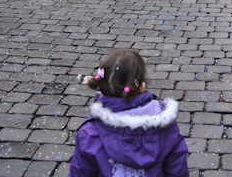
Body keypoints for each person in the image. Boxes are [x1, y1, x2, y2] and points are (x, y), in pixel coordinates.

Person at [69, 48, 189, 177]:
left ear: (100, 85)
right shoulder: (166, 127)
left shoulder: (90, 133)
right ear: (142, 85)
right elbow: (177, 169)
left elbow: (80, 171)